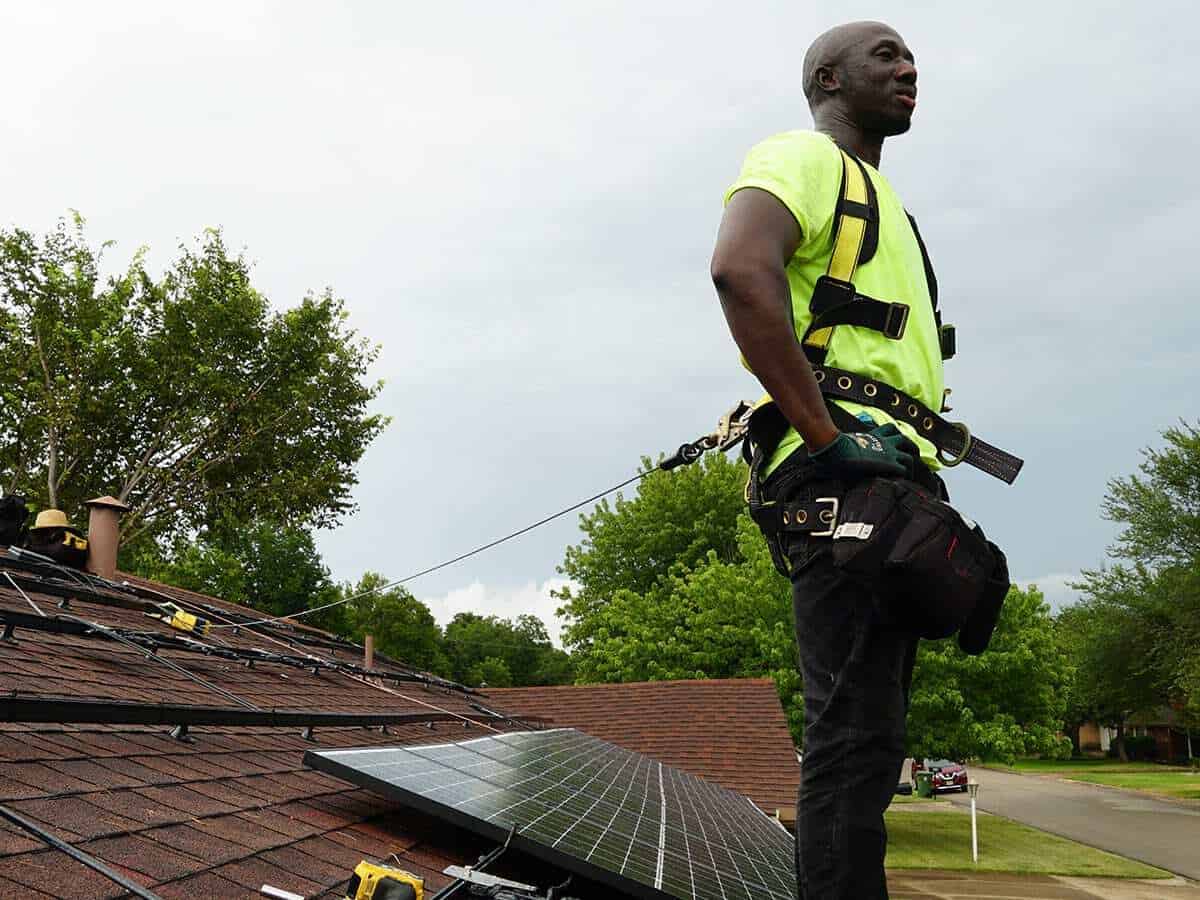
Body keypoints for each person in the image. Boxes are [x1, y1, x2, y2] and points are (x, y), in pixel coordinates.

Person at [710, 20, 942, 900]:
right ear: (828, 79)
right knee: (850, 736)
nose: (909, 66)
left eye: (911, 55)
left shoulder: (891, 211)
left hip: (893, 480)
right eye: (885, 54)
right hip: (843, 475)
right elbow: (739, 269)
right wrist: (825, 437)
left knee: (875, 738)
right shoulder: (804, 159)